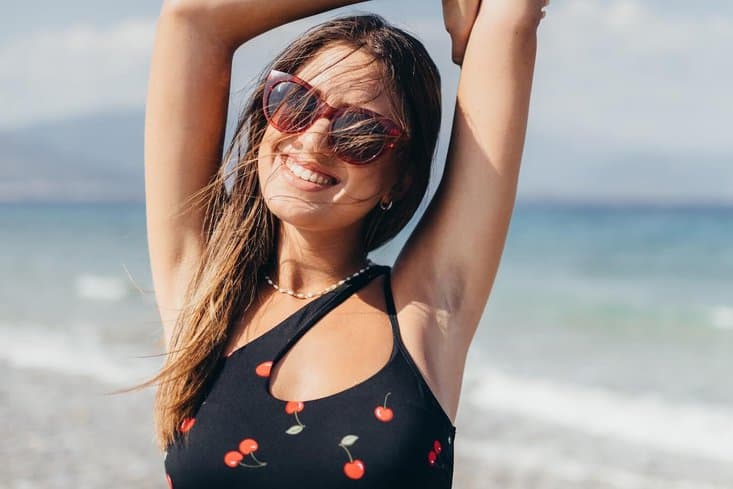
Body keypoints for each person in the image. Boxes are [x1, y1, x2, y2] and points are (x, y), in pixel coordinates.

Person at [143, 0, 546, 487]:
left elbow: (511, 13)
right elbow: (193, 17)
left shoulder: (425, 311)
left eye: (360, 131)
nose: (314, 138)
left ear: (399, 181)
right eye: (295, 101)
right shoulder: (203, 293)